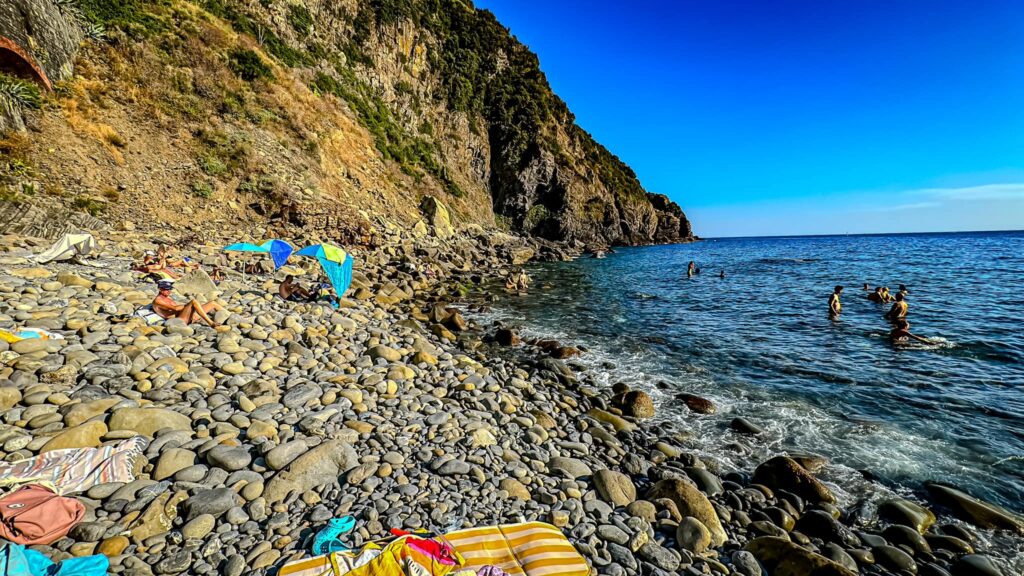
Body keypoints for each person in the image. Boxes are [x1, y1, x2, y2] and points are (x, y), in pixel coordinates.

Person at [151, 280, 222, 327]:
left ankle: (229, 316)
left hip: (185, 316)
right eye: (166, 289)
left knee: (212, 303)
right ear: (160, 289)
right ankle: (211, 323)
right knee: (194, 301)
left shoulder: (167, 297)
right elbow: (175, 308)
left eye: (170, 289)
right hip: (179, 321)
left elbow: (178, 307)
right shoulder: (158, 301)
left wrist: (190, 309)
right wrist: (188, 306)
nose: (169, 291)